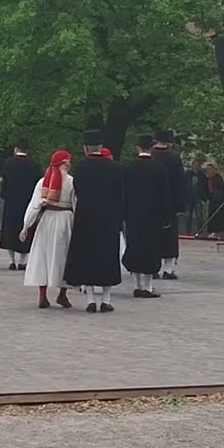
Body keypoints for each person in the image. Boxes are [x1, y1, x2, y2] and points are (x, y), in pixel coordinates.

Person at [63, 129, 125, 313]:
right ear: (101, 147)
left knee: (87, 257)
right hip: (108, 218)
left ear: (86, 148)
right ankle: (106, 299)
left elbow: (78, 190)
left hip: (86, 218)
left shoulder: (82, 168)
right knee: (107, 257)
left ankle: (90, 299)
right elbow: (120, 195)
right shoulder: (115, 168)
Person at [22, 150, 75, 309]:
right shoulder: (72, 182)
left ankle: (43, 295)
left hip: (47, 220)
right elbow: (76, 204)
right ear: (65, 163)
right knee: (63, 256)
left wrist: (26, 226)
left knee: (43, 256)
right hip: (65, 220)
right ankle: (62, 294)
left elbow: (34, 206)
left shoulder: (43, 182)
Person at [123, 135, 174, 298]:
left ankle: (137, 285)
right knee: (151, 249)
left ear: (137, 148)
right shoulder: (159, 168)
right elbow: (165, 194)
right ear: (151, 148)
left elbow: (123, 193)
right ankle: (148, 286)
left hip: (133, 216)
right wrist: (166, 217)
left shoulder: (128, 168)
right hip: (153, 216)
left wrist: (124, 213)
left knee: (135, 248)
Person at [0, 139, 44, 271]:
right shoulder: (35, 166)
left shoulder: (8, 164)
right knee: (26, 228)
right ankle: (23, 261)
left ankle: (12, 260)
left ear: (16, 149)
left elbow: (4, 183)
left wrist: (4, 196)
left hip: (11, 201)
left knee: (10, 230)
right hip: (27, 201)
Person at [152, 130, 185, 280]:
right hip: (171, 203)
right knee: (170, 236)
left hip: (151, 203)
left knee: (152, 235)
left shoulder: (151, 157)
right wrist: (180, 205)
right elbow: (179, 184)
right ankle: (168, 269)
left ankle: (153, 267)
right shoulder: (174, 158)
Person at [204, 162, 224, 238]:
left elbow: (221, 189)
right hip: (212, 199)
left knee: (218, 216)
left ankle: (218, 231)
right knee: (212, 215)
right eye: (207, 170)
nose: (209, 171)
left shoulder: (217, 178)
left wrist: (217, 196)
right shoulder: (208, 179)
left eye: (210, 170)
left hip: (218, 199)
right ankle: (212, 231)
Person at [186, 158, 208, 236]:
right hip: (188, 198)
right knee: (188, 215)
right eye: (194, 165)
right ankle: (188, 231)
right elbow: (183, 185)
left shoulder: (202, 176)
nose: (195, 167)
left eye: (197, 165)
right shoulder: (187, 174)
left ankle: (200, 231)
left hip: (199, 198)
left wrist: (204, 198)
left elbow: (205, 188)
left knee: (199, 215)